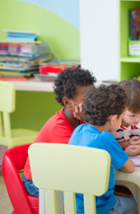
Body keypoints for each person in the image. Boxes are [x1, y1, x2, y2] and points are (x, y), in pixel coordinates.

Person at [23, 68, 96, 197]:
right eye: (86, 100)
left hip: (58, 172)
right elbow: (84, 157)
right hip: (36, 181)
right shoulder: (58, 127)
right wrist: (88, 121)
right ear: (68, 103)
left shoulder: (82, 118)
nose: (93, 103)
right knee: (87, 192)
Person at [69, 84, 137, 214]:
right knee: (134, 204)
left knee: (121, 195)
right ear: (113, 119)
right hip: (99, 207)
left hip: (74, 205)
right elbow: (130, 167)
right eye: (121, 117)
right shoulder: (106, 139)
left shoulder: (79, 130)